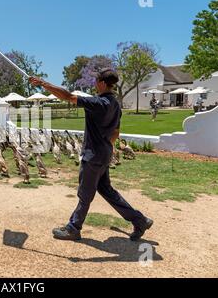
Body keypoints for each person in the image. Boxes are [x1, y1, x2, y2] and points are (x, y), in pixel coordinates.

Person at [29, 68, 153, 242]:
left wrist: (43, 83)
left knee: (85, 194)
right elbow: (116, 133)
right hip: (105, 153)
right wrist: (105, 148)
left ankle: (73, 228)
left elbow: (67, 96)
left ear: (102, 83)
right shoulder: (116, 105)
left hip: (93, 155)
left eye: (96, 82)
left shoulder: (98, 103)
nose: (95, 85)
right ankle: (140, 220)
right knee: (106, 190)